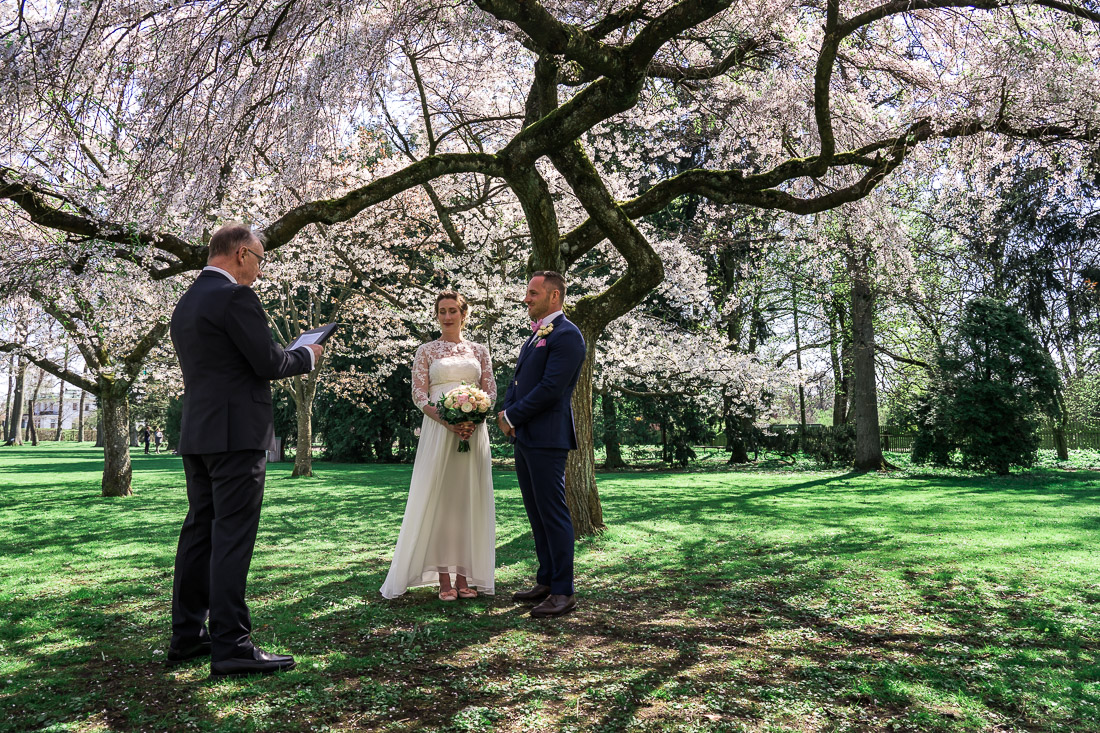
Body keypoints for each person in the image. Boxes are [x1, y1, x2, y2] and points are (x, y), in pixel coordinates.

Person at [166, 223, 323, 678]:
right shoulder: (235, 297)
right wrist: (307, 355)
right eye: (259, 258)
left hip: (199, 434)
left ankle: (187, 635)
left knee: (200, 533)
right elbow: (269, 362)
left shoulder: (187, 301)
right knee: (232, 536)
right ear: (240, 254)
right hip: (237, 437)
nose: (260, 268)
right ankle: (232, 645)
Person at [380, 291, 497, 601]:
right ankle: (444, 579)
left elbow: (490, 391)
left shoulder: (479, 351)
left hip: (474, 432)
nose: (447, 316)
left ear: (463, 313)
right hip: (438, 430)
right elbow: (419, 396)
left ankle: (464, 576)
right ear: (437, 315)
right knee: (441, 500)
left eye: (452, 311)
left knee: (466, 501)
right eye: (442, 311)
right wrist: (448, 421)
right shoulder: (426, 351)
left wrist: (474, 417)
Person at [497, 271, 586, 618]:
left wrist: (512, 416)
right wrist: (506, 409)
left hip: (548, 437)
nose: (526, 299)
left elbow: (551, 388)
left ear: (554, 296)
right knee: (536, 513)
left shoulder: (568, 335)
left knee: (553, 513)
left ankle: (564, 592)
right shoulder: (536, 336)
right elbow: (519, 380)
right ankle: (546, 581)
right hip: (526, 436)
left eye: (533, 293)